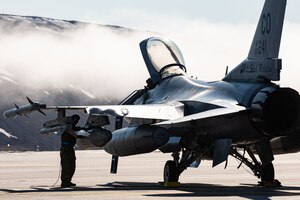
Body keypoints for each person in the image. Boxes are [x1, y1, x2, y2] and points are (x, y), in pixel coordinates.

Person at [60, 114, 81, 188]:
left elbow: (74, 130)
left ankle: (67, 180)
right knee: (66, 165)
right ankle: (65, 181)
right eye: (76, 120)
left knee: (71, 165)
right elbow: (71, 132)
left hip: (69, 148)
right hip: (66, 148)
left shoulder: (72, 127)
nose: (76, 122)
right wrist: (77, 136)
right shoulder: (66, 127)